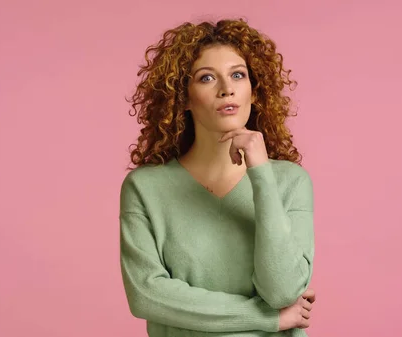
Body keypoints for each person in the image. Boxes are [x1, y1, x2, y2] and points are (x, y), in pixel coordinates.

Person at [119, 18, 316, 337]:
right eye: (207, 78)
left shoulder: (290, 182)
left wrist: (261, 175)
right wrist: (268, 319)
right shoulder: (145, 188)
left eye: (238, 75)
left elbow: (281, 293)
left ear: (254, 92)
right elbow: (147, 295)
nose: (227, 89)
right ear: (182, 97)